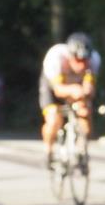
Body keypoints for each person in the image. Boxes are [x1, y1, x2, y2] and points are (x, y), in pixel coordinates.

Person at [40, 32, 101, 168]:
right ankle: (48, 151)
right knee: (54, 119)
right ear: (70, 56)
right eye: (78, 60)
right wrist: (73, 90)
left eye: (85, 60)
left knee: (85, 111)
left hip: (76, 86)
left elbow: (89, 86)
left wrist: (86, 92)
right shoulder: (56, 57)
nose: (82, 65)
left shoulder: (95, 60)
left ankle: (81, 149)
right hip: (53, 86)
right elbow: (58, 90)